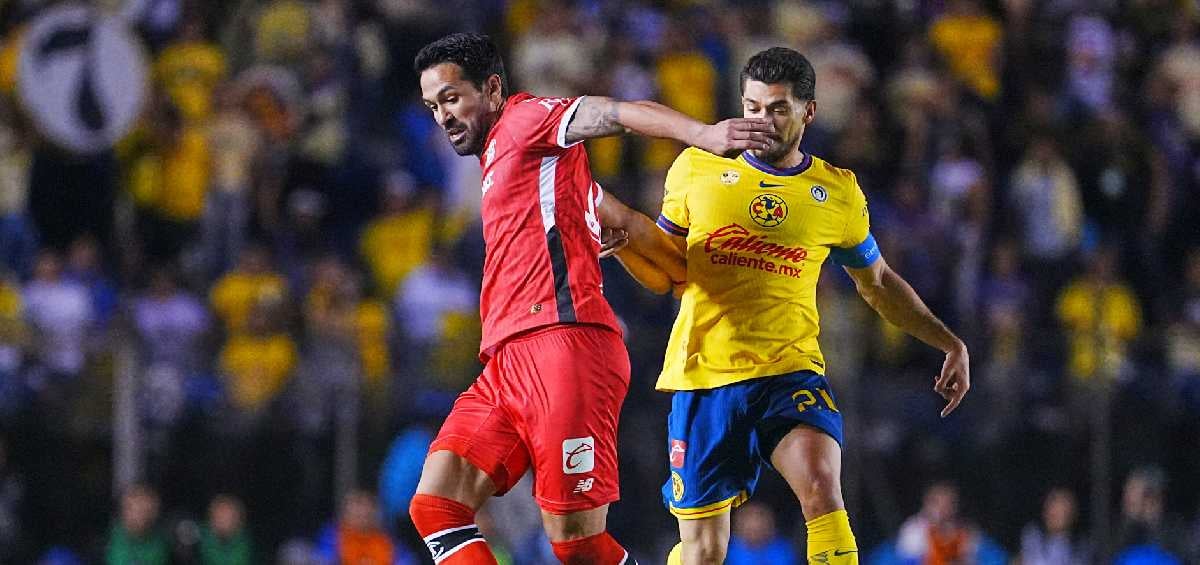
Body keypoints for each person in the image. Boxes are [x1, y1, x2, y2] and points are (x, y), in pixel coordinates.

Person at [409, 32, 774, 565]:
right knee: (436, 506)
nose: (442, 116)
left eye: (450, 98)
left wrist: (703, 134)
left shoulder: (524, 120)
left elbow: (613, 113)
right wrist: (657, 262)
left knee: (578, 546)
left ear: (491, 89)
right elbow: (628, 223)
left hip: (563, 346)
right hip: (507, 362)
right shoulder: (534, 170)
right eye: (432, 106)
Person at [613, 47, 970, 564]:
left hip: (789, 371)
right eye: (753, 108)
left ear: (809, 111)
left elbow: (878, 283)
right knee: (704, 551)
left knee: (823, 488)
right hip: (704, 376)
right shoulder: (696, 168)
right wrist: (625, 244)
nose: (763, 121)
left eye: (778, 109)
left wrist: (949, 342)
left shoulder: (837, 191)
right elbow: (669, 271)